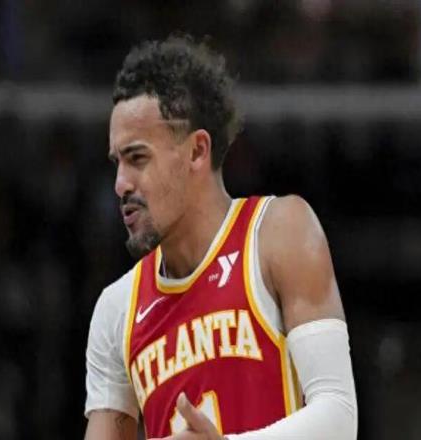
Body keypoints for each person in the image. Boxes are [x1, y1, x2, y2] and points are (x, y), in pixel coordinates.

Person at [84, 35, 357, 440]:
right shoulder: (117, 308)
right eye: (117, 163)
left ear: (197, 151)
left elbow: (339, 417)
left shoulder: (278, 232)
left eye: (137, 158)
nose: (120, 183)